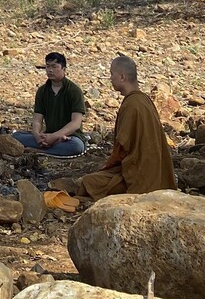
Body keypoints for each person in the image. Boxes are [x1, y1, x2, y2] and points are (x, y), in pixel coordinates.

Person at [70, 55, 176, 200]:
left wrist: (107, 168)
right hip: (158, 174)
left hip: (138, 177)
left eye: (112, 74)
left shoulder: (132, 105)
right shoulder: (144, 99)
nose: (110, 78)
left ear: (122, 77)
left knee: (90, 182)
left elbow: (121, 148)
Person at [12, 51, 86, 156]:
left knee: (76, 146)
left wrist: (55, 136)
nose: (50, 70)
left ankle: (41, 151)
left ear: (63, 69)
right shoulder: (42, 91)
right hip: (48, 135)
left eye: (55, 67)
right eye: (48, 66)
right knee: (16, 136)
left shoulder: (74, 91)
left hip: (70, 137)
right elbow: (37, 119)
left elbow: (76, 123)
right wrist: (38, 136)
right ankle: (50, 147)